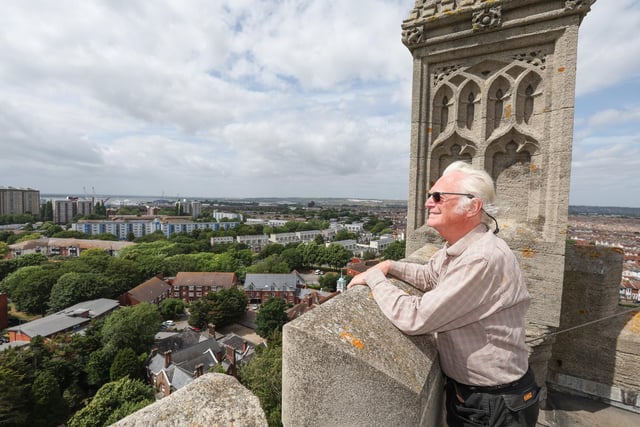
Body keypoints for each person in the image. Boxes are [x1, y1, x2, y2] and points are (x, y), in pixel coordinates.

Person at [348, 161, 539, 427]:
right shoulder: (461, 247)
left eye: (438, 196)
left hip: (495, 403)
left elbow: (415, 318)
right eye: (429, 196)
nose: (428, 203)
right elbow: (429, 275)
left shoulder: (481, 258)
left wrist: (375, 279)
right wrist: (390, 266)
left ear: (472, 206)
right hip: (478, 397)